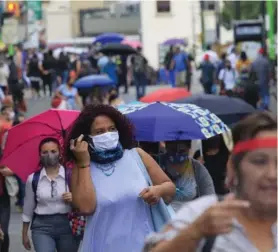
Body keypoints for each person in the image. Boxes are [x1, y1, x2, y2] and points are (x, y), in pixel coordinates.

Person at [144, 111, 277, 252]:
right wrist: (195, 233)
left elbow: (208, 190)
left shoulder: (197, 168)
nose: (272, 175)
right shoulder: (201, 214)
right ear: (234, 166)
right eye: (259, 161)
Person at [65, 104, 176, 252]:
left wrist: (158, 190)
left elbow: (170, 187)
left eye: (112, 129)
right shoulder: (82, 167)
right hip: (102, 246)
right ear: (86, 139)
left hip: (143, 245)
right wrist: (84, 162)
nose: (107, 134)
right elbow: (86, 207)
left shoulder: (137, 155)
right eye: (99, 132)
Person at [22, 137, 80, 252]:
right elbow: (28, 208)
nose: (49, 155)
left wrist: (74, 198)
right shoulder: (33, 179)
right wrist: (24, 234)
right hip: (42, 226)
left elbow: (84, 201)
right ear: (40, 155)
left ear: (60, 153)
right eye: (45, 152)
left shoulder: (71, 174)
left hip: (68, 225)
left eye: (53, 151)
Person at [161, 140, 215, 211]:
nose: (177, 154)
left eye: (182, 151)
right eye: (173, 150)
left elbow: (210, 199)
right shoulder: (156, 162)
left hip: (189, 219)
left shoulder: (197, 168)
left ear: (189, 148)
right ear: (166, 146)